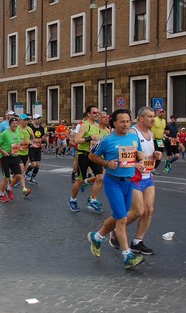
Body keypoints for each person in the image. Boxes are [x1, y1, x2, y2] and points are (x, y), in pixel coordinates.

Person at [86, 109, 145, 270]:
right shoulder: (107, 140)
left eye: (128, 121)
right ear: (114, 122)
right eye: (122, 121)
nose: (126, 124)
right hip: (113, 182)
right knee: (122, 219)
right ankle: (127, 255)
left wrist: (139, 159)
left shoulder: (134, 137)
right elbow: (92, 156)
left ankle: (97, 237)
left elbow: (136, 155)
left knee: (120, 215)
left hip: (129, 182)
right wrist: (106, 163)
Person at [108, 106, 163, 256]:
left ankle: (137, 242)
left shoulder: (150, 133)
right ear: (141, 118)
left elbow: (147, 154)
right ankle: (117, 229)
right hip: (134, 177)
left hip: (148, 176)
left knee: (149, 210)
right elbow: (124, 153)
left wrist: (156, 155)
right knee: (138, 211)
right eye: (150, 116)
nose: (153, 119)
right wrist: (135, 162)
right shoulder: (132, 132)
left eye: (153, 116)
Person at [69, 106, 108, 213]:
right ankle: (72, 200)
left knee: (100, 177)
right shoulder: (84, 125)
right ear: (88, 114)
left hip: (94, 155)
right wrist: (89, 138)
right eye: (94, 112)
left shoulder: (97, 126)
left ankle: (93, 200)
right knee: (80, 179)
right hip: (84, 155)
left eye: (97, 112)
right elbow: (77, 140)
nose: (96, 114)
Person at [0, 117, 24, 203]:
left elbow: (17, 141)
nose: (15, 125)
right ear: (10, 124)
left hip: (15, 156)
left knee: (18, 176)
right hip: (5, 157)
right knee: (6, 178)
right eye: (13, 123)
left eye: (16, 123)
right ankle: (1, 195)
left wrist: (19, 145)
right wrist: (2, 151)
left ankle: (9, 188)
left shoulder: (18, 131)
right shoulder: (5, 133)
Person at [16, 114, 33, 197]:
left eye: (27, 120)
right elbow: (13, 138)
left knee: (22, 172)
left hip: (26, 153)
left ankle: (10, 185)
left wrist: (31, 142)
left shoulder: (29, 129)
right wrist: (19, 143)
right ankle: (24, 189)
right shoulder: (17, 129)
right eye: (24, 120)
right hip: (17, 153)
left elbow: (33, 138)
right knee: (22, 170)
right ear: (20, 120)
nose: (26, 121)